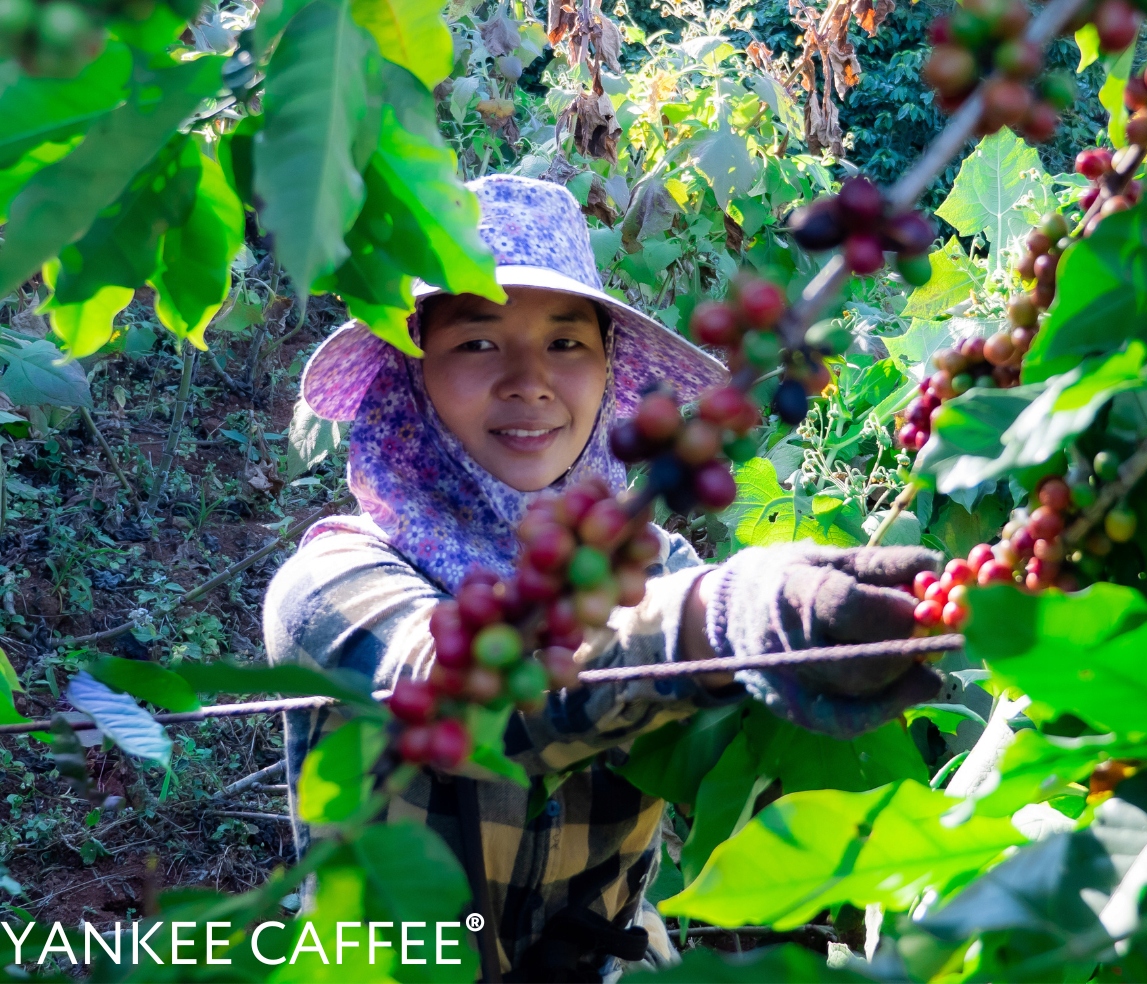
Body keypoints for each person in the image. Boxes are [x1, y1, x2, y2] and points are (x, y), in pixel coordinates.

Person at [263, 174, 941, 982]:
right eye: (476, 342)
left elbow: (738, 779)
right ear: (410, 372)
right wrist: (716, 619)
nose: (529, 379)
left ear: (609, 367)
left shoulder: (653, 567)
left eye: (565, 342)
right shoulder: (332, 582)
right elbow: (468, 698)